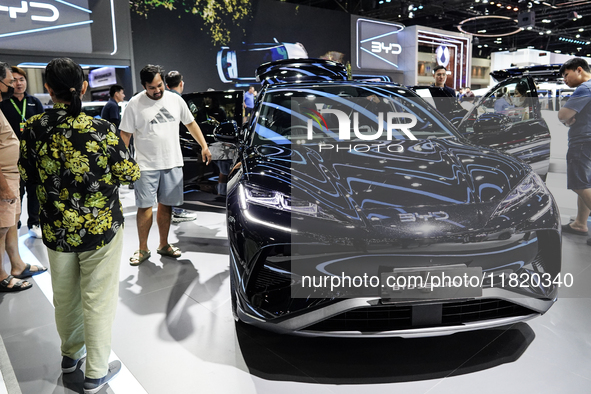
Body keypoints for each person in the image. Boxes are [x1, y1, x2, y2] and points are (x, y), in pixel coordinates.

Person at [19, 58, 139, 393]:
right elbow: (129, 173)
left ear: (47, 89)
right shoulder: (100, 129)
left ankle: (70, 355)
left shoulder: (33, 127)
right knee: (97, 299)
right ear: (83, 88)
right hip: (100, 228)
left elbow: (26, 175)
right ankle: (96, 372)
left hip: (56, 229)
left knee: (65, 296)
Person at [120, 64, 211, 265]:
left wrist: (204, 145)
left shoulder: (175, 100)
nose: (157, 90)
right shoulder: (134, 104)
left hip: (172, 162)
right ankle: (143, 249)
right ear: (144, 86)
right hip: (144, 165)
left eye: (159, 85)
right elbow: (125, 134)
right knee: (144, 207)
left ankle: (163, 244)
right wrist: (123, 160)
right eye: (152, 87)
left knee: (166, 205)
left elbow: (191, 123)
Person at [0, 62, 47, 293]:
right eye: (9, 81)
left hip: (14, 173)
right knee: (1, 228)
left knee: (9, 225)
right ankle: (1, 275)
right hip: (5, 181)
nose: (13, 85)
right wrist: (4, 188)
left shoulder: (33, 102)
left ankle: (16, 265)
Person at [557, 58, 591, 245]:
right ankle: (580, 224)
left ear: (579, 70)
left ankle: (580, 223)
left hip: (583, 141)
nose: (565, 80)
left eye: (566, 75)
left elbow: (563, 114)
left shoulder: (584, 88)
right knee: (586, 183)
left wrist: (566, 118)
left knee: (579, 184)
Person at [165, 70, 198, 223]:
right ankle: (176, 210)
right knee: (176, 181)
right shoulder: (180, 101)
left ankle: (170, 210)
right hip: (178, 145)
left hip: (164, 147)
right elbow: (190, 124)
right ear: (181, 84)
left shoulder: (161, 99)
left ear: (166, 85)